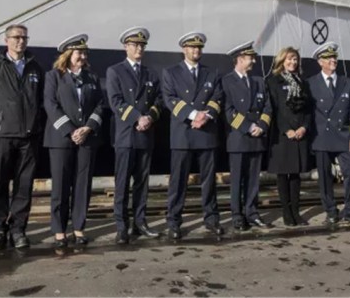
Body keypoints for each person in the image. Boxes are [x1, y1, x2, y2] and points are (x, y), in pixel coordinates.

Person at [0, 24, 45, 250]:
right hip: (1, 136)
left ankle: (18, 229)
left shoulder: (35, 69)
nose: (21, 42)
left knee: (24, 185)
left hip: (29, 137)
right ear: (6, 40)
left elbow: (41, 101)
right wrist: (1, 122)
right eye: (16, 37)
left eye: (24, 37)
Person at [43, 34, 105, 252]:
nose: (83, 56)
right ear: (68, 55)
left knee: (82, 185)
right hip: (61, 139)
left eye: (84, 53)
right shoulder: (54, 76)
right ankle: (59, 229)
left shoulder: (92, 78)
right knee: (60, 185)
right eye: (79, 52)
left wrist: (88, 128)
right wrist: (71, 131)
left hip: (87, 138)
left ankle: (79, 227)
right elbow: (50, 105)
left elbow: (100, 105)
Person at [163, 32, 225, 239]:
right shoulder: (170, 73)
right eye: (191, 47)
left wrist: (205, 116)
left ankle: (211, 218)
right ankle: (174, 221)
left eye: (198, 48)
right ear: (184, 49)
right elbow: (170, 98)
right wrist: (193, 115)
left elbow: (217, 97)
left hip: (206, 132)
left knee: (209, 181)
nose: (195, 51)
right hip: (183, 133)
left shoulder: (212, 73)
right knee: (178, 181)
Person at [106, 27, 163, 244]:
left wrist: (149, 117)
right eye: (134, 45)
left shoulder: (151, 74)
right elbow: (115, 101)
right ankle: (122, 226)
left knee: (142, 182)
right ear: (125, 47)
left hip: (145, 135)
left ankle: (140, 222)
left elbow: (158, 102)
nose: (139, 48)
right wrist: (138, 117)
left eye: (142, 45)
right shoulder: (115, 71)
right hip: (125, 135)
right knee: (122, 183)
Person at [307, 42, 350, 224]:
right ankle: (331, 211)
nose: (333, 60)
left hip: (344, 136)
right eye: (329, 58)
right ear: (320, 62)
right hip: (322, 136)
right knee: (324, 176)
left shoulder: (348, 82)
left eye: (334, 57)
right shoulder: (311, 84)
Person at [221, 41, 273, 231]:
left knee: (253, 180)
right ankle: (237, 215)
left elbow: (267, 106)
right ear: (240, 59)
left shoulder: (259, 81)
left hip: (257, 137)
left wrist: (261, 125)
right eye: (250, 58)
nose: (253, 61)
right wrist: (248, 127)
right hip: (239, 138)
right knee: (237, 180)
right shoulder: (226, 82)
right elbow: (228, 111)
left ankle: (252, 212)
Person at [265, 47, 311, 227]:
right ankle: (286, 211)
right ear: (282, 60)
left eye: (295, 60)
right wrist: (287, 130)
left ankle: (296, 211)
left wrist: (304, 127)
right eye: (290, 59)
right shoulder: (273, 81)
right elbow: (274, 109)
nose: (293, 63)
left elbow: (308, 109)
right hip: (282, 136)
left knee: (296, 175)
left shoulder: (302, 82)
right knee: (283, 175)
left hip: (300, 134)